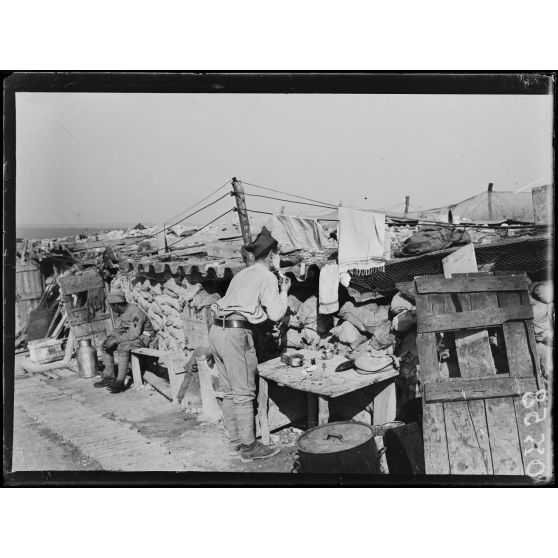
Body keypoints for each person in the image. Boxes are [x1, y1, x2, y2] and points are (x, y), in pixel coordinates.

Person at [209, 226, 291, 463]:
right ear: (271, 255)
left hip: (216, 330)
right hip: (235, 334)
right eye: (278, 254)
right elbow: (275, 313)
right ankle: (249, 447)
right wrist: (284, 292)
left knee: (229, 391)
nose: (279, 259)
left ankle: (235, 443)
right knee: (244, 392)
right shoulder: (266, 276)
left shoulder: (242, 274)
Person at [95, 289, 153, 394]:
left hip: (143, 337)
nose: (111, 309)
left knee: (123, 347)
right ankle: (109, 376)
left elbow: (134, 334)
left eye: (111, 306)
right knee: (105, 344)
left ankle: (120, 382)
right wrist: (110, 338)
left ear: (117, 305)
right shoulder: (121, 313)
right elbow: (118, 329)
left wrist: (116, 340)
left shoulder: (135, 312)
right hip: (131, 336)